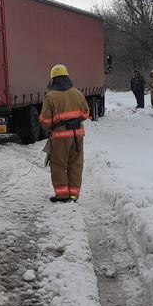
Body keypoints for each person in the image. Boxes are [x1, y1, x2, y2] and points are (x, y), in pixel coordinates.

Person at [39, 63, 90, 203]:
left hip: (60, 137)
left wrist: (49, 125)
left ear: (53, 79)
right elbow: (85, 114)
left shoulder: (50, 97)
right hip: (78, 136)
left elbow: (45, 121)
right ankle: (74, 195)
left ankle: (62, 195)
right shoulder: (78, 93)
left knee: (59, 166)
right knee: (76, 164)